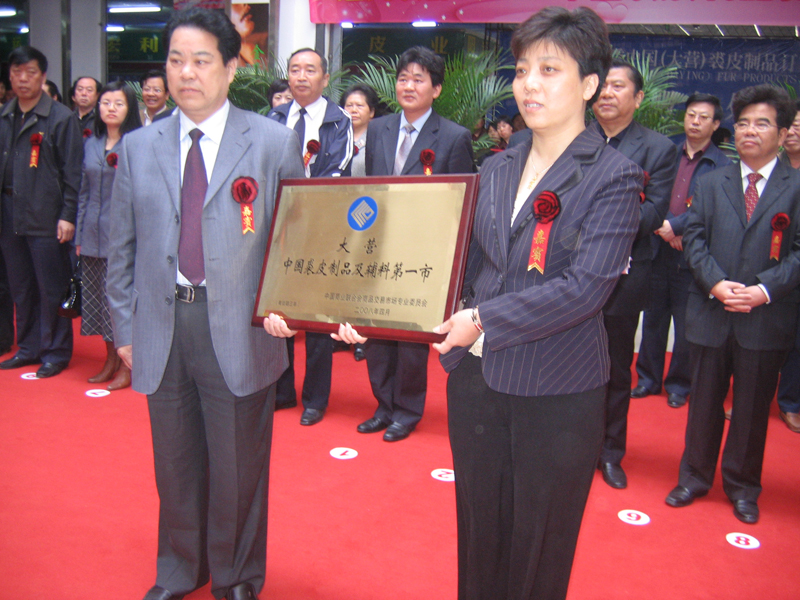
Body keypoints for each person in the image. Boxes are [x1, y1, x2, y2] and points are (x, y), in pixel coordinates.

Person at [428, 8, 641, 598]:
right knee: (479, 533)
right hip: (476, 383)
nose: (529, 84)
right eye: (522, 70)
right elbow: (466, 267)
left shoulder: (615, 176)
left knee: (538, 548)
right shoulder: (496, 167)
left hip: (556, 390)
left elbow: (586, 289)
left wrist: (481, 319)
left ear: (590, 85)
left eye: (550, 69)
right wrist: (389, 313)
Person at [106, 9, 304, 600]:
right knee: (175, 463)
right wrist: (123, 329)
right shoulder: (139, 147)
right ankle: (179, 570)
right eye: (175, 60)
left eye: (200, 60)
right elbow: (121, 248)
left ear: (231, 66)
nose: (186, 73)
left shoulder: (271, 142)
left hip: (240, 328)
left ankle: (236, 577)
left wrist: (288, 307)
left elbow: (294, 243)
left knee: (239, 467)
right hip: (161, 325)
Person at [665, 84, 800, 525]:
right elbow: (694, 239)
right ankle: (694, 477)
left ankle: (743, 486)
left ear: (783, 134)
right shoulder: (711, 182)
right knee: (703, 401)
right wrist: (717, 284)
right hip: (712, 309)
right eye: (743, 123)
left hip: (765, 315)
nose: (749, 131)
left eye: (762, 123)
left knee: (752, 410)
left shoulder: (796, 186)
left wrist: (763, 290)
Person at [360, 45, 474, 442]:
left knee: (410, 337)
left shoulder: (454, 137)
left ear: (436, 89)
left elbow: (461, 205)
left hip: (423, 255)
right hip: (378, 249)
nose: (408, 86)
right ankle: (383, 406)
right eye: (403, 78)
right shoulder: (378, 129)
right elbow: (371, 188)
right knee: (378, 331)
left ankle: (406, 411)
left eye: (418, 79)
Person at [590, 59, 678, 489]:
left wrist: (593, 221)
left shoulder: (658, 148)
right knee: (562, 360)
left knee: (615, 366)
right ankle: (566, 444)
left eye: (618, 86)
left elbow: (654, 212)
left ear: (638, 97)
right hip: (564, 273)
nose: (607, 93)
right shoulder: (572, 136)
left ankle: (609, 452)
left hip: (623, 277)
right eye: (602, 86)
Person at [267, 48, 353, 424]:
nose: (301, 76)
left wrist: (301, 200)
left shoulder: (339, 120)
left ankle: (316, 398)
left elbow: (336, 171)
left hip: (321, 228)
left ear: (325, 78)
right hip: (280, 229)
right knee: (281, 310)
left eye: (310, 70)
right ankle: (281, 389)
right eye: (295, 70)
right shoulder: (273, 117)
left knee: (318, 316)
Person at [635, 93, 730, 411]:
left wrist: (677, 228)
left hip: (692, 256)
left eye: (704, 117)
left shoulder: (722, 165)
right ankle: (648, 379)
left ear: (715, 124)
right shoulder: (667, 154)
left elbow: (712, 209)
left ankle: (678, 384)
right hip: (657, 249)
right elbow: (649, 193)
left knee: (686, 324)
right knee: (653, 317)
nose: (696, 122)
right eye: (691, 115)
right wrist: (664, 226)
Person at [0, 46, 83, 378]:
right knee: (21, 286)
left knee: (52, 288)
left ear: (43, 76)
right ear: (9, 76)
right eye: (17, 72)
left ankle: (56, 351)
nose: (23, 79)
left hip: (47, 215)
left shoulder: (60, 117)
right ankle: (29, 347)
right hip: (9, 214)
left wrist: (68, 214)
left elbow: (73, 173)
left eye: (30, 72)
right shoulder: (5, 115)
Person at [76, 82, 141, 391]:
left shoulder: (137, 144)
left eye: (118, 103)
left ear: (129, 109)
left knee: (120, 299)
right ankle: (110, 360)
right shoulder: (91, 143)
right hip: (93, 233)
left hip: (125, 236)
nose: (111, 108)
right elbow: (83, 191)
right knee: (99, 300)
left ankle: (128, 364)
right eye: (105, 103)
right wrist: (79, 232)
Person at [776, 100, 800, 433]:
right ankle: (752, 396)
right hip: (769, 269)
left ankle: (790, 402)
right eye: (790, 124)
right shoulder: (768, 167)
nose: (794, 131)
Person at [341, 83, 379, 177]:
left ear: (371, 112)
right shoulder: (336, 137)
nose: (354, 110)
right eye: (349, 105)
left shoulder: (378, 139)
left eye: (359, 105)